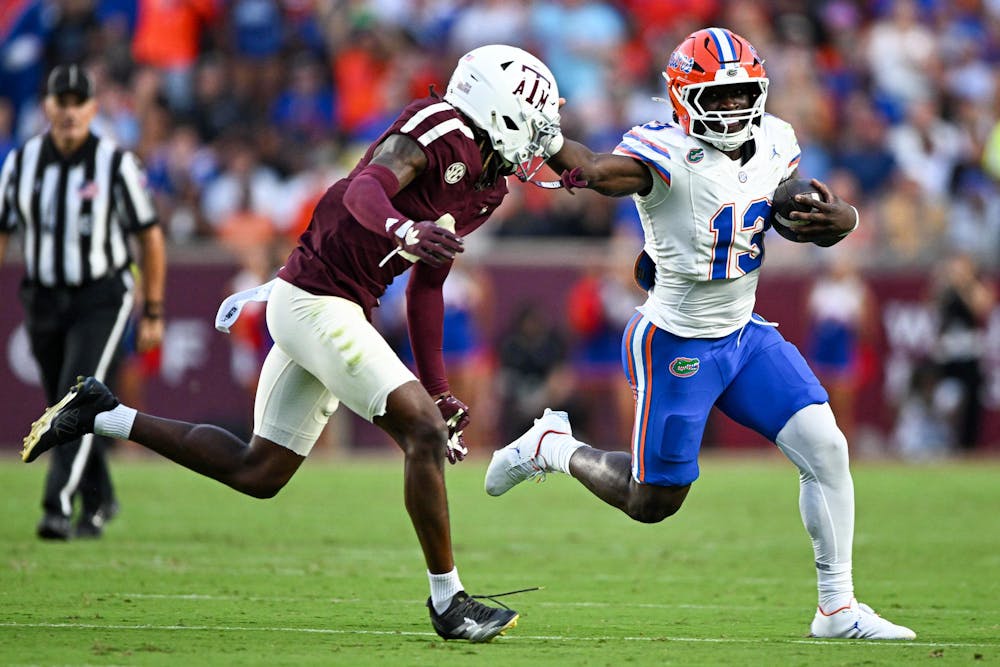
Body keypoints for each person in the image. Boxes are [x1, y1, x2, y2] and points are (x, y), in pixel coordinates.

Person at [21, 45, 564, 642]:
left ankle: (102, 413)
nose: (541, 141)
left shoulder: (486, 189)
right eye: (536, 122)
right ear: (500, 109)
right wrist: (404, 228)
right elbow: (363, 191)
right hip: (314, 300)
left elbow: (426, 289)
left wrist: (439, 390)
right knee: (423, 435)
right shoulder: (440, 129)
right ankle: (449, 602)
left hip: (332, 303)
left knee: (260, 471)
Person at [485, 27, 916, 640]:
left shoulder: (778, 141)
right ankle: (552, 446)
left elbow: (783, 219)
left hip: (744, 333)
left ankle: (837, 607)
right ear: (685, 99)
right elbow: (596, 172)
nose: (735, 108)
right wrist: (546, 137)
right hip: (677, 340)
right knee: (652, 502)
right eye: (719, 96)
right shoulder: (662, 149)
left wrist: (840, 218)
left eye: (743, 93)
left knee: (827, 448)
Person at [0, 64, 166, 540]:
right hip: (43, 296)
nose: (70, 111)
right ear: (48, 106)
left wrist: (152, 309)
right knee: (64, 401)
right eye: (62, 101)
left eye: (79, 102)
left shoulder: (114, 163)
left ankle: (57, 506)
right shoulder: (21, 162)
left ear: (93, 108)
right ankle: (100, 496)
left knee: (74, 397)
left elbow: (150, 237)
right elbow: (3, 229)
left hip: (102, 294)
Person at [930, 252, 995, 452]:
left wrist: (965, 285)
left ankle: (969, 446)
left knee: (972, 401)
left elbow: (981, 309)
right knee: (945, 398)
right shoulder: (945, 289)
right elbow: (932, 306)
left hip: (970, 351)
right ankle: (945, 442)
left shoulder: (977, 286)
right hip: (948, 352)